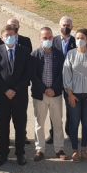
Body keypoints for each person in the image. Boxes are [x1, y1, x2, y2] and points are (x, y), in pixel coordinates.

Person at [0, 24, 30, 166]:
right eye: (6, 35)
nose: (9, 37)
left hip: (20, 96)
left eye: (12, 35)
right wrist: (6, 90)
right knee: (3, 126)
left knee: (20, 126)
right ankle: (3, 154)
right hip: (2, 96)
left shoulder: (24, 51)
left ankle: (20, 153)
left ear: (16, 36)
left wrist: (16, 90)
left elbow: (27, 73)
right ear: (2, 37)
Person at [63, 28, 87, 162]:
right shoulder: (70, 54)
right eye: (77, 38)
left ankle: (84, 150)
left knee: (86, 123)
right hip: (74, 94)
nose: (80, 41)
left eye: (82, 38)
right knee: (74, 123)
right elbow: (66, 74)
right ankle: (75, 150)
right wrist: (70, 94)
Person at [31, 27, 67, 161]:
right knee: (39, 123)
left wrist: (54, 88)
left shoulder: (59, 54)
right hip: (40, 95)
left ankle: (59, 149)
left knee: (57, 123)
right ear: (40, 39)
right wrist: (44, 89)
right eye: (45, 38)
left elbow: (62, 74)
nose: (48, 40)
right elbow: (33, 76)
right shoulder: (34, 55)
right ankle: (40, 150)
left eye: (50, 37)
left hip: (56, 94)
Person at [49, 16, 75, 143]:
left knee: (71, 108)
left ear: (72, 27)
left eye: (69, 25)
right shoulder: (52, 41)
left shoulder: (77, 41)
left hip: (71, 81)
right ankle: (53, 133)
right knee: (54, 109)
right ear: (59, 26)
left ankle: (70, 132)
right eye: (64, 24)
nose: (66, 27)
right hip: (55, 80)